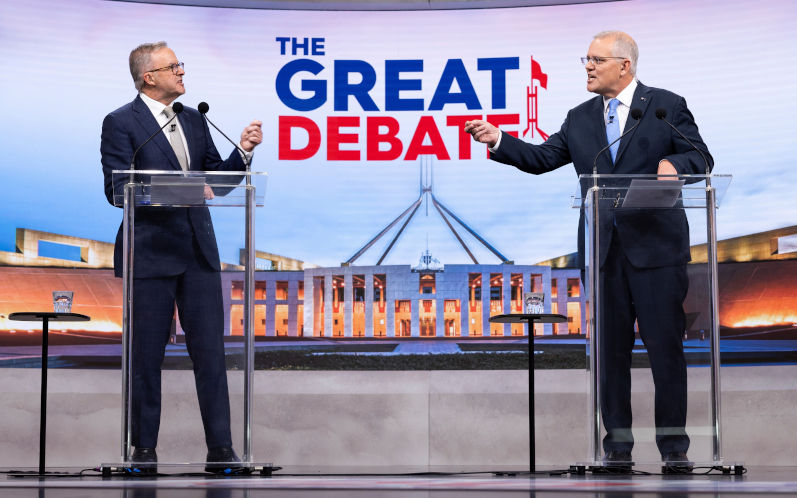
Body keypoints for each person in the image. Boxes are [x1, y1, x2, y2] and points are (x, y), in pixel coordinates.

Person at [465, 31, 712, 470]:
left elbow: (701, 157)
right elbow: (542, 158)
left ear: (625, 66)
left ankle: (675, 450)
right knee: (610, 355)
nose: (588, 66)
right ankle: (617, 448)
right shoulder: (580, 119)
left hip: (657, 253)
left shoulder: (665, 106)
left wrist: (676, 164)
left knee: (665, 352)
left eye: (597, 60)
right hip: (603, 255)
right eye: (587, 59)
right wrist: (499, 139)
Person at [100, 41, 263, 474]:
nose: (182, 73)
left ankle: (222, 450)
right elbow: (119, 190)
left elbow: (220, 183)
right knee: (145, 359)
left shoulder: (194, 119)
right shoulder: (121, 123)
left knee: (211, 356)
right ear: (148, 77)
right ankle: (144, 451)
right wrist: (189, 190)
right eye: (174, 67)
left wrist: (243, 152)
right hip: (150, 256)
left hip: (198, 256)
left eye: (181, 65)